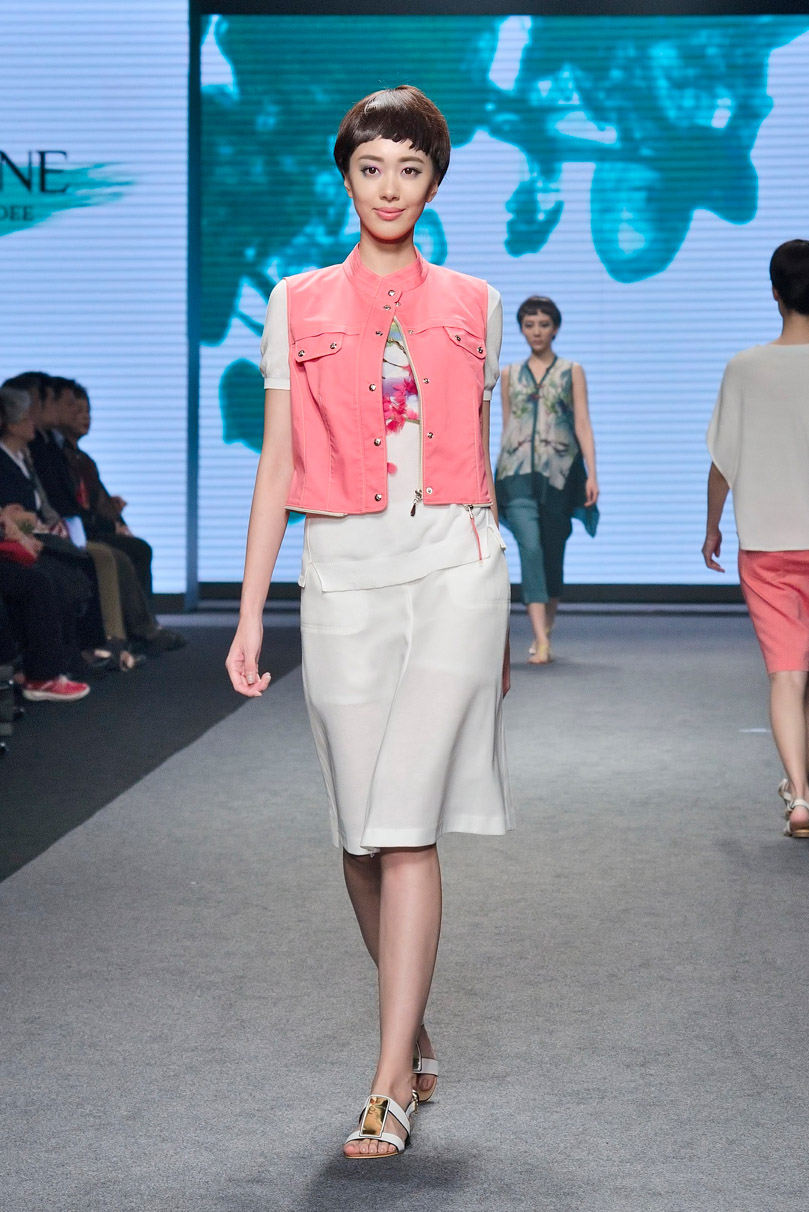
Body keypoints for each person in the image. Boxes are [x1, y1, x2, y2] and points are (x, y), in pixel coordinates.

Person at [226, 85, 513, 1159]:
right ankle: (413, 1021)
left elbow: (474, 454)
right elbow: (277, 466)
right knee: (358, 835)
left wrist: (500, 620)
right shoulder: (294, 301)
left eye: (410, 168)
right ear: (345, 177)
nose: (389, 187)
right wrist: (249, 614)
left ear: (433, 182)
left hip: (454, 567)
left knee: (404, 825)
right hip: (341, 571)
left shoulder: (478, 301)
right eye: (370, 167)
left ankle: (387, 1083)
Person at [703, 238, 809, 840]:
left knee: (788, 675)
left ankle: (800, 796)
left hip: (769, 541)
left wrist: (712, 526)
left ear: (775, 293)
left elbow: (723, 461)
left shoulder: (745, 367)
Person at [495, 296, 598, 663]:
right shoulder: (508, 374)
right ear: (521, 329)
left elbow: (582, 422)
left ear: (555, 328)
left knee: (553, 553)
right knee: (530, 548)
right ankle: (540, 638)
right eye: (529, 325)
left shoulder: (572, 371)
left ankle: (546, 629)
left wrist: (592, 473)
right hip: (515, 473)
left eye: (543, 324)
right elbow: (508, 425)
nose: (536, 331)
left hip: (560, 472)